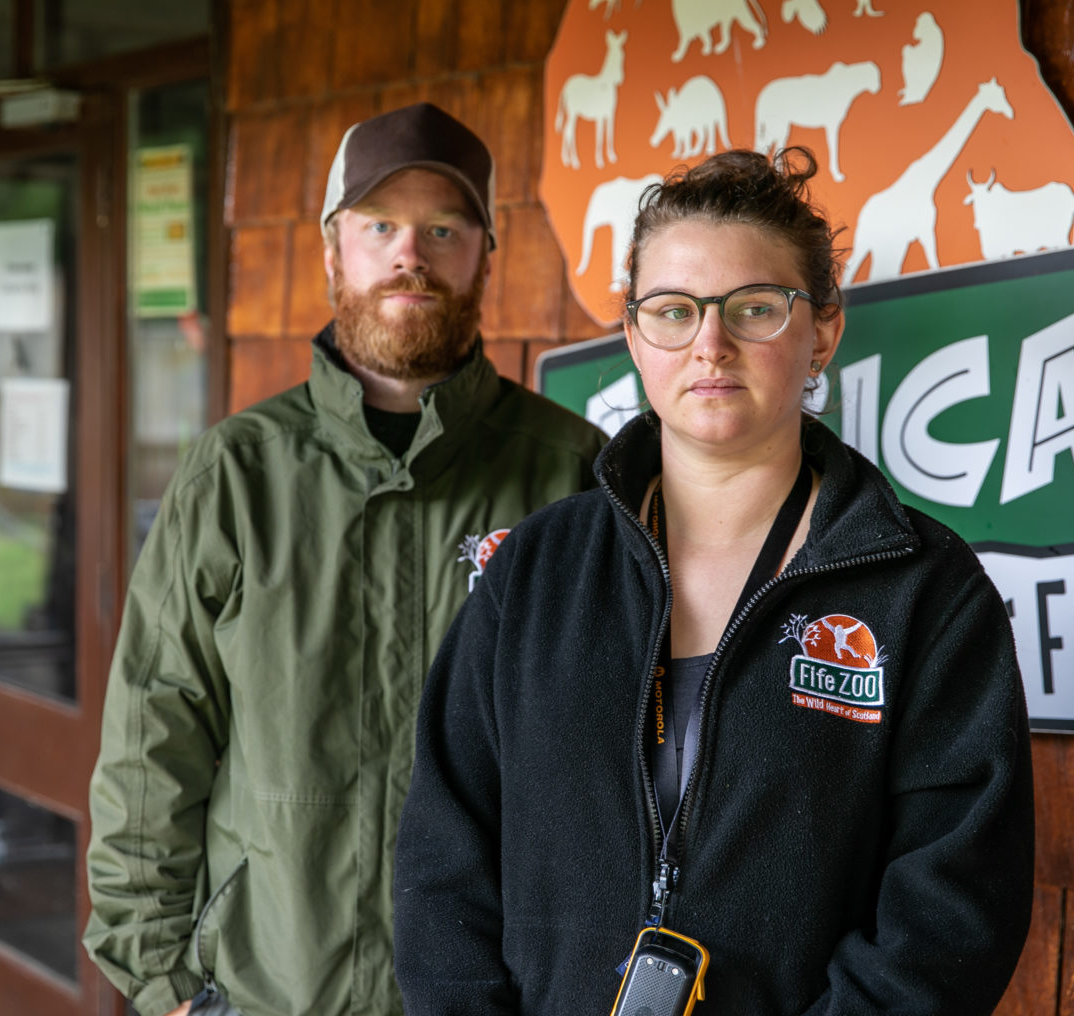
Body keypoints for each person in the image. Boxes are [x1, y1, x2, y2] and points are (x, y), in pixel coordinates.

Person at [393, 147, 1034, 1014]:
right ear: (634, 337)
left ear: (822, 332)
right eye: (673, 310)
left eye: (755, 308)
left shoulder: (924, 592)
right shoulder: (534, 573)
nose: (710, 344)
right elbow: (443, 863)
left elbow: (950, 914)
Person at [83, 102, 607, 1016]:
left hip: (493, 995)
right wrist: (165, 981)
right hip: (267, 987)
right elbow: (152, 738)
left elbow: (617, 761)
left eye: (443, 230)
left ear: (486, 256)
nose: (411, 255)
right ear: (333, 251)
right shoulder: (236, 475)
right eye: (380, 228)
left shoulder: (571, 474)